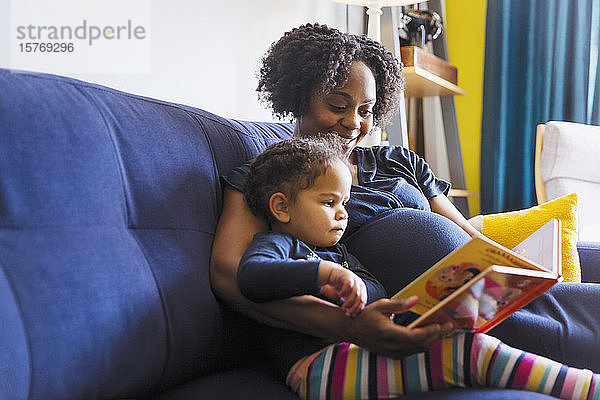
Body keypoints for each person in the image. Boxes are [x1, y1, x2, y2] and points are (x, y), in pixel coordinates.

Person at [210, 22, 600, 375]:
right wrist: (346, 325)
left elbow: (466, 234)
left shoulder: (398, 160)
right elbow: (229, 274)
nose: (354, 123)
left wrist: (520, 270)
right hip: (436, 319)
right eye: (338, 106)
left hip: (487, 293)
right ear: (298, 95)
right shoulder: (273, 177)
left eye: (366, 111)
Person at [236, 136, 600, 399]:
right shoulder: (278, 245)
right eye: (328, 202)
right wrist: (324, 275)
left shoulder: (340, 253)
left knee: (461, 342)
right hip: (318, 368)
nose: (342, 213)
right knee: (469, 353)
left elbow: (372, 287)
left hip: (353, 352)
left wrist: (371, 295)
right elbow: (251, 278)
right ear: (281, 208)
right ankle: (584, 387)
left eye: (345, 202)